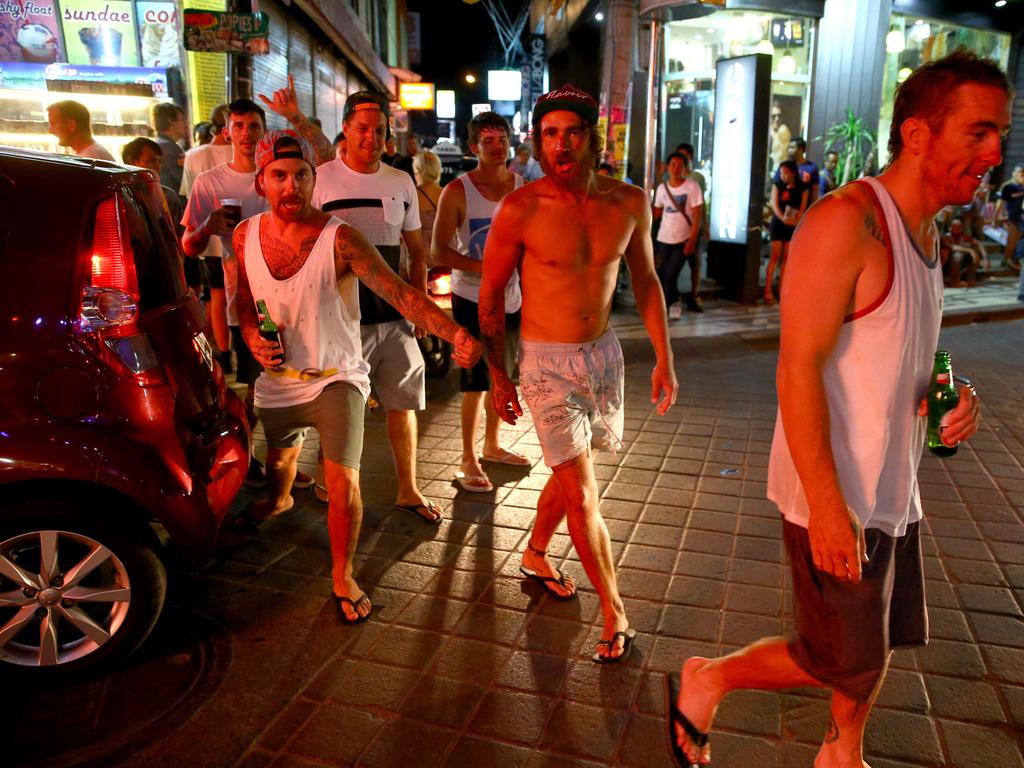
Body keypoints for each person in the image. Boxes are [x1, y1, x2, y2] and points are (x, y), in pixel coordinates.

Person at [668, 49, 997, 768]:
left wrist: (953, 391)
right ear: (917, 134)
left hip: (891, 487)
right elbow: (796, 368)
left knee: (872, 649)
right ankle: (708, 679)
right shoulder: (845, 223)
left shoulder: (930, 233)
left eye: (999, 133)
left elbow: (911, 350)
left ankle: (841, 752)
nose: (995, 152)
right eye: (979, 132)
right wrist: (824, 502)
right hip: (834, 489)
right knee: (837, 655)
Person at [234, 129, 482, 624]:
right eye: (279, 176)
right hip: (279, 380)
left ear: (313, 179)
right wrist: (249, 337)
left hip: (337, 377)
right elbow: (246, 299)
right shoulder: (245, 235)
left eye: (301, 175)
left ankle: (343, 573)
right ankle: (279, 499)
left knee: (343, 479)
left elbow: (398, 293)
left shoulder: (340, 237)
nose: (291, 186)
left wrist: (454, 333)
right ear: (261, 182)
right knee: (280, 462)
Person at [479, 84, 678, 662]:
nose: (560, 144)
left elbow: (645, 280)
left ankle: (536, 551)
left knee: (571, 474)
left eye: (572, 132)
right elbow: (491, 298)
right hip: (544, 362)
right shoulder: (521, 209)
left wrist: (665, 356)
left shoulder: (630, 202)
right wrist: (499, 374)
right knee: (584, 493)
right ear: (538, 143)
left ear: (593, 137)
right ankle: (616, 612)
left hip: (603, 356)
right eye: (549, 134)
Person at [183, 79, 331, 485]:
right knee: (257, 387)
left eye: (253, 125)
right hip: (243, 300)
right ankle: (249, 464)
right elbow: (188, 245)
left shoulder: (290, 174)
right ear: (227, 131)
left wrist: (295, 116)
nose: (246, 133)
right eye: (239, 125)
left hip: (299, 302)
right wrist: (207, 227)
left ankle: (267, 468)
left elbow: (328, 159)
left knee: (286, 386)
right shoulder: (209, 182)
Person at [312, 91, 443, 524]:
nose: (371, 137)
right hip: (341, 321)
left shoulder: (400, 181)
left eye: (380, 130)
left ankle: (408, 489)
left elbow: (417, 252)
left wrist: (419, 308)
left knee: (403, 405)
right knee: (337, 408)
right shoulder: (320, 179)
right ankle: (323, 479)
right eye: (362, 128)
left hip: (394, 319)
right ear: (346, 129)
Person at [432, 112, 530, 494]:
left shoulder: (522, 189)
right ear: (473, 147)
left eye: (501, 138)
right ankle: (467, 457)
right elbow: (437, 250)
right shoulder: (457, 191)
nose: (497, 145)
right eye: (487, 140)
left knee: (503, 372)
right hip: (470, 296)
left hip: (511, 296)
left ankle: (492, 444)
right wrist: (482, 268)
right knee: (474, 378)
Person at [652, 152, 704, 319]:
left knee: (671, 274)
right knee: (663, 274)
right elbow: (657, 213)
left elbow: (697, 217)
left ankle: (667, 306)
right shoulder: (662, 188)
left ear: (685, 168)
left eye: (679, 165)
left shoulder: (692, 187)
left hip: (683, 239)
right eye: (672, 165)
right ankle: (675, 302)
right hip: (664, 238)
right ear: (667, 167)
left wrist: (692, 241)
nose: (675, 168)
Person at [764, 160, 809, 305]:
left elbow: (802, 207)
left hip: (793, 224)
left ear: (793, 173)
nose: (783, 176)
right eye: (781, 172)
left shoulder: (802, 188)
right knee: (775, 255)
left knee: (787, 258)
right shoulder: (778, 185)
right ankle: (767, 290)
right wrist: (782, 219)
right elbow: (774, 204)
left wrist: (796, 221)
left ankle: (782, 289)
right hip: (778, 223)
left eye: (786, 173)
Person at [122, 137, 184, 239]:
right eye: (151, 160)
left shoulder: (168, 196)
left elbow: (179, 236)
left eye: (159, 161)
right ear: (131, 162)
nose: (157, 166)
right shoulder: (120, 197)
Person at [47, 100, 114, 161]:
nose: (50, 130)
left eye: (53, 123)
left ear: (72, 125)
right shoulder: (92, 154)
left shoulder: (90, 159)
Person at [151, 101, 187, 193]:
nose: (185, 124)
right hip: (175, 204)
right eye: (182, 119)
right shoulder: (170, 148)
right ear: (171, 120)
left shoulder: (158, 144)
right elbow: (186, 182)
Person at [995, 164, 1024, 272]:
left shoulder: (1021, 186)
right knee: (1011, 239)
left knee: (1016, 238)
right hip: (1007, 216)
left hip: (1018, 216)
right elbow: (999, 203)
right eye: (1017, 173)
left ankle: (1010, 258)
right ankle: (1007, 259)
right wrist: (996, 218)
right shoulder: (1007, 186)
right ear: (1014, 173)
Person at [940, 217, 982, 287]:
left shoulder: (964, 236)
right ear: (950, 227)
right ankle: (954, 281)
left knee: (973, 255)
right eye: (954, 226)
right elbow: (952, 247)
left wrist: (986, 258)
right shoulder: (946, 237)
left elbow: (978, 243)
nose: (957, 228)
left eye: (959, 226)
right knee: (957, 256)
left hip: (960, 265)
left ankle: (970, 280)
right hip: (946, 265)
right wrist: (971, 250)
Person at [414, 149, 442, 238]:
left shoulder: (412, 196)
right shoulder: (447, 194)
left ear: (418, 170)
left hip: (420, 249)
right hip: (447, 248)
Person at [769, 101, 791, 171]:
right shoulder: (769, 132)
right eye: (774, 116)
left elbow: (786, 157)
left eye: (779, 115)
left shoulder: (784, 130)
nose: (777, 119)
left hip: (781, 172)